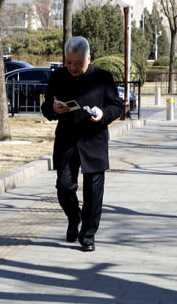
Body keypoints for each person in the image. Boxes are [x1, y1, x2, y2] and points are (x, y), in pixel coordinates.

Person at [41, 36, 123, 252]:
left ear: (89, 58)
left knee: (93, 194)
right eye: (68, 62)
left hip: (94, 141)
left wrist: (103, 115)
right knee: (64, 187)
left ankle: (88, 235)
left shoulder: (103, 77)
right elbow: (46, 106)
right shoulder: (58, 76)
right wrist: (53, 109)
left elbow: (117, 105)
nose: (73, 67)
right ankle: (73, 216)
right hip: (67, 141)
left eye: (78, 63)